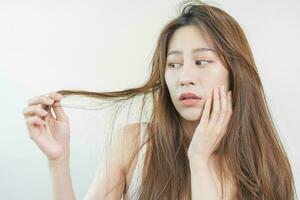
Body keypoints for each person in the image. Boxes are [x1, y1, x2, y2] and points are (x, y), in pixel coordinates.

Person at [22, 0, 297, 199]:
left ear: (234, 74)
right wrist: (58, 161)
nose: (184, 77)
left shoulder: (263, 163)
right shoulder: (134, 144)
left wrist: (199, 160)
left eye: (202, 61)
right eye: (174, 64)